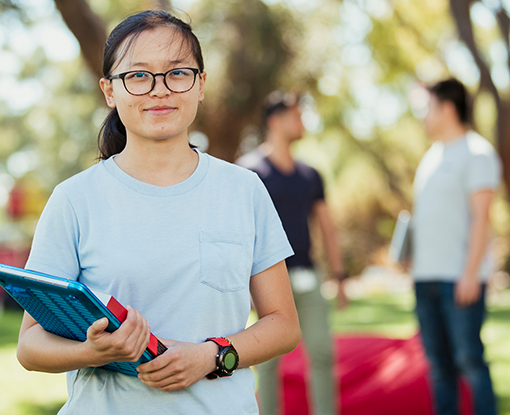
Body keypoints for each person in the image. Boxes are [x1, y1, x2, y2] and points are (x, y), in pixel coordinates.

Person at [17, 10, 301, 415]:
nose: (160, 90)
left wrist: (211, 356)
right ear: (109, 91)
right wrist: (92, 350)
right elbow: (29, 346)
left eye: (177, 73)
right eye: (138, 75)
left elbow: (284, 325)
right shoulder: (74, 199)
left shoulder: (244, 190)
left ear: (200, 84)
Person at [237, 91, 347, 415]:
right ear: (275, 120)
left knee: (323, 352)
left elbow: (328, 229)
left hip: (309, 277)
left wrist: (340, 276)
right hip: (266, 282)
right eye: (296, 115)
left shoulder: (311, 175)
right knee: (268, 363)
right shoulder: (249, 171)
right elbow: (241, 234)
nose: (302, 122)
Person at [410, 78, 500, 415]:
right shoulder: (430, 158)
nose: (423, 116)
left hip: (458, 279)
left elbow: (481, 219)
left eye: (427, 108)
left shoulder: (477, 153)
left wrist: (471, 273)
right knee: (440, 368)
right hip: (425, 279)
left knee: (470, 362)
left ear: (447, 108)